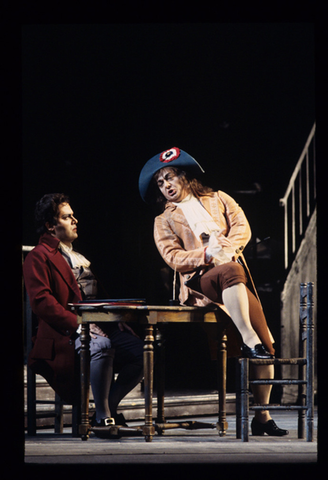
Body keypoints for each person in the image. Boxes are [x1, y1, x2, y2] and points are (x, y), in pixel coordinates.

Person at [138, 147, 289, 436]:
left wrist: (226, 249)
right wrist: (207, 256)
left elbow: (242, 227)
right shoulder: (163, 220)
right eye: (160, 183)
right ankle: (248, 339)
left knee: (268, 347)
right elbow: (173, 257)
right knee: (232, 273)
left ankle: (262, 418)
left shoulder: (218, 198)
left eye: (170, 177)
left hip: (232, 273)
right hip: (200, 279)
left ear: (185, 176)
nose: (166, 185)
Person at [23, 193, 144, 432]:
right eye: (67, 217)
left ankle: (107, 405)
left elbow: (95, 297)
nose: (75, 220)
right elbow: (42, 302)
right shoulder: (39, 256)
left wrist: (115, 319)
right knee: (100, 346)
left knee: (143, 352)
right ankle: (102, 417)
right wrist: (79, 325)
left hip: (100, 325)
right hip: (63, 333)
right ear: (50, 225)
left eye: (73, 215)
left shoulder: (76, 255)